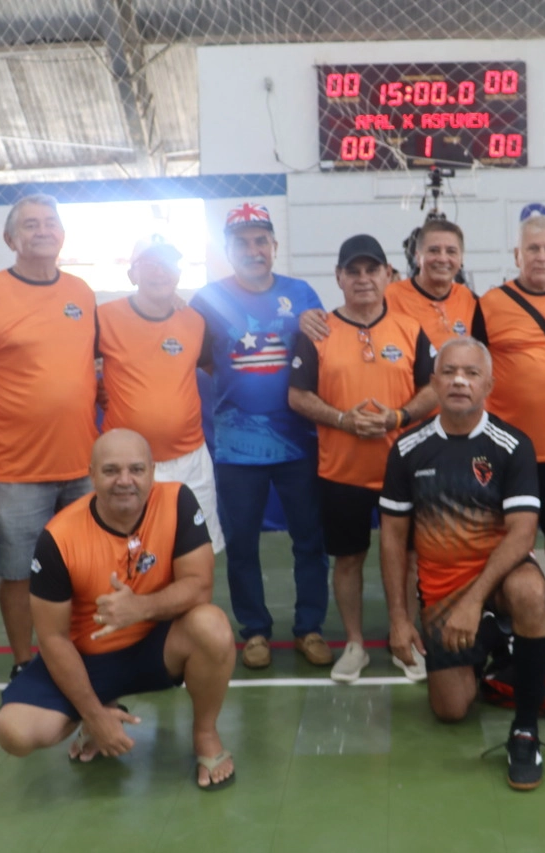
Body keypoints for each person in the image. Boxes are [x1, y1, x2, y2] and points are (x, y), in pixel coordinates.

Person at [0, 429, 237, 790]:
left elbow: (200, 586)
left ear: (153, 471)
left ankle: (205, 735)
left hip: (156, 647)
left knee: (213, 626)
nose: (125, 481)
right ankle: (99, 714)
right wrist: (94, 716)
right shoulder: (58, 538)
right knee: (12, 733)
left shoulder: (177, 501)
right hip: (86, 658)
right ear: (91, 474)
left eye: (136, 469)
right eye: (111, 471)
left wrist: (141, 608)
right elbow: (53, 638)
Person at [380, 336, 545, 790]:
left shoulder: (512, 445)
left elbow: (522, 533)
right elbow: (394, 540)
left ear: (488, 384)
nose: (460, 380)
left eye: (471, 373)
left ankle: (525, 729)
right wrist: (399, 620)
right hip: (441, 590)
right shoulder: (406, 450)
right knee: (451, 711)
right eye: (450, 371)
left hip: (497, 578)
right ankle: (493, 642)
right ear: (433, 381)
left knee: (531, 593)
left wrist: (474, 601)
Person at [189, 203, 334, 671]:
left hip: (298, 442)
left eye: (261, 241)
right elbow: (202, 360)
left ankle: (310, 626)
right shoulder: (206, 299)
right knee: (243, 542)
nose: (253, 250)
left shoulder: (302, 293)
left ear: (274, 246)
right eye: (242, 242)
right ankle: (254, 631)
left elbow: (325, 354)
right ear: (228, 249)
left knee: (310, 539)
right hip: (236, 446)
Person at [288, 234, 437, 683]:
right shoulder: (317, 331)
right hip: (342, 470)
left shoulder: (411, 328)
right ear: (338, 278)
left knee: (408, 559)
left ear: (388, 275)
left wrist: (398, 416)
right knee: (348, 559)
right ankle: (355, 643)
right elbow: (297, 396)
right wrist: (341, 419)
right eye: (352, 271)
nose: (363, 279)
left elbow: (432, 390)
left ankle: (404, 635)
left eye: (372, 270)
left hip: (402, 472)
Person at [0, 194, 98, 680]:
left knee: (85, 571)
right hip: (16, 471)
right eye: (31, 224)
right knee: (18, 573)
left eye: (51, 222)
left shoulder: (82, 292)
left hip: (83, 467)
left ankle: (83, 654)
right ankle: (24, 662)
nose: (43, 230)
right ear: (11, 238)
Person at [473, 213, 545, 644]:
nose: (541, 257)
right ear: (517, 255)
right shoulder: (489, 303)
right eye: (533, 249)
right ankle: (506, 600)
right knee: (504, 531)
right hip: (506, 446)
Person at [97, 236, 224, 553]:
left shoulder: (194, 321)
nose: (159, 272)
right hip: (129, 464)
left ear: (178, 273)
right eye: (149, 264)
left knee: (197, 551)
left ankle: (193, 605)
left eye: (167, 264)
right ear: (132, 274)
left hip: (191, 460)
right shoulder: (104, 317)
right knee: (133, 555)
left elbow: (213, 367)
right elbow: (74, 370)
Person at [384, 219, 478, 351]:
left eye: (451, 251)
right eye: (434, 251)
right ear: (417, 257)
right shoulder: (390, 297)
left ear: (461, 258)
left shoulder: (469, 299)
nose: (442, 259)